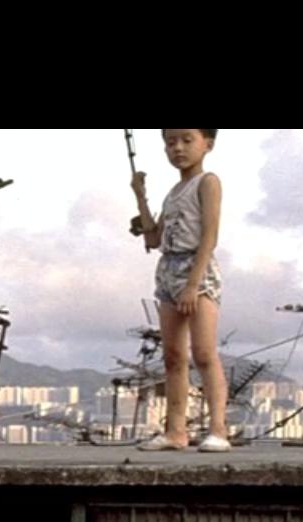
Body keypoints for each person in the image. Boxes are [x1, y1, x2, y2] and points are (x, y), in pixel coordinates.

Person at [131, 128, 230, 452]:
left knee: (203, 353)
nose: (178, 148)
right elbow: (153, 239)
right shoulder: (173, 192)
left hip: (196, 271)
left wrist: (193, 285)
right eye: (171, 142)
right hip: (169, 271)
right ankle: (176, 432)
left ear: (208, 144)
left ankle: (218, 429)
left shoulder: (208, 182)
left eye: (187, 140)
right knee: (173, 356)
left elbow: (210, 237)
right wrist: (140, 196)